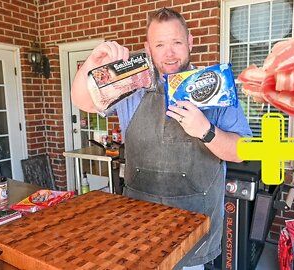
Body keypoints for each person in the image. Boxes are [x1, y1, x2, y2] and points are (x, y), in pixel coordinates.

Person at [71, 7, 252, 269]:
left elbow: (240, 151)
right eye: (160, 44)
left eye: (177, 42)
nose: (169, 53)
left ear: (190, 42)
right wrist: (92, 62)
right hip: (138, 232)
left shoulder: (217, 86)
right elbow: (82, 101)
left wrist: (206, 130)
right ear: (148, 49)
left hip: (193, 231)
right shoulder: (131, 83)